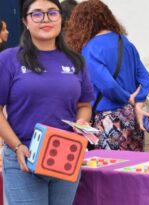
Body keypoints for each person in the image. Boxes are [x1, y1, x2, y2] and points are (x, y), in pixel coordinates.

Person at [0, 0, 94, 204]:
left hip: (65, 157)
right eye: (37, 14)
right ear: (25, 21)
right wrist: (16, 146)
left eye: (52, 13)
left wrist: (82, 122)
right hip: (23, 158)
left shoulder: (75, 61)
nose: (45, 19)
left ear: (61, 18)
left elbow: (84, 105)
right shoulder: (9, 59)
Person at [65, 0, 149, 151]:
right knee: (132, 166)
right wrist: (137, 100)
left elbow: (108, 85)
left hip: (108, 120)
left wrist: (126, 98)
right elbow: (145, 78)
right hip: (133, 116)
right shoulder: (125, 42)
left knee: (110, 169)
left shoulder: (89, 49)